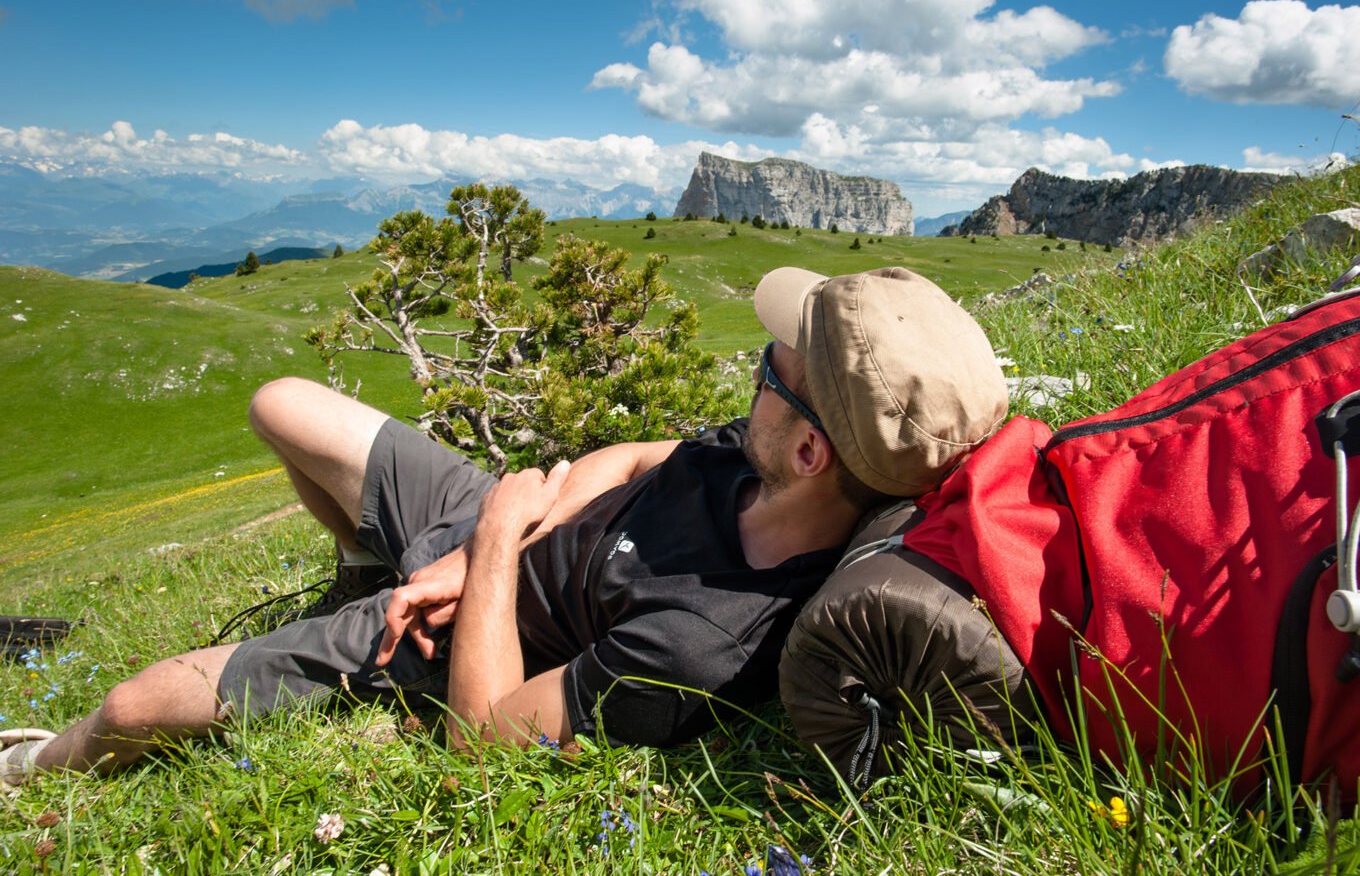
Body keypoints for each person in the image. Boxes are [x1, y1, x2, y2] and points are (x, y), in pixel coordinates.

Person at [0, 265, 1007, 783]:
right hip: (499, 525)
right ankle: (367, 561)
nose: (755, 365)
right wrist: (514, 524)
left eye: (769, 369)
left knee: (131, 711)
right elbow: (635, 458)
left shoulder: (700, 638)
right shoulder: (760, 468)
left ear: (810, 453)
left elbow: (483, 736)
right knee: (283, 403)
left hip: (466, 619)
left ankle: (30, 762)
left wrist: (482, 562)